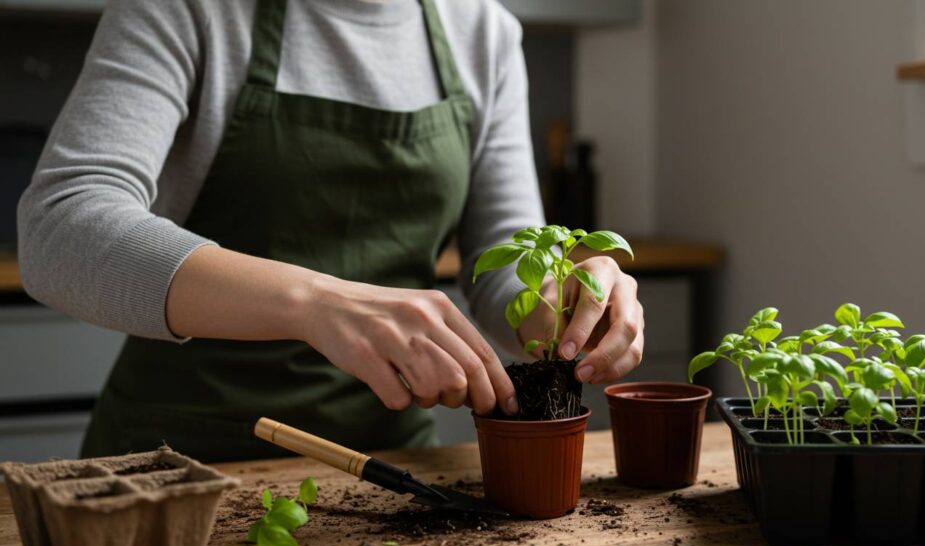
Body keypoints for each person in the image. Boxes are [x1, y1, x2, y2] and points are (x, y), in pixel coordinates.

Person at [16, 0, 645, 462]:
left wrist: (567, 303)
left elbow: (507, 264)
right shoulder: (188, 10)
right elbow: (59, 224)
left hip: (389, 468)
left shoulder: (483, 32)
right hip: (176, 461)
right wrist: (317, 302)